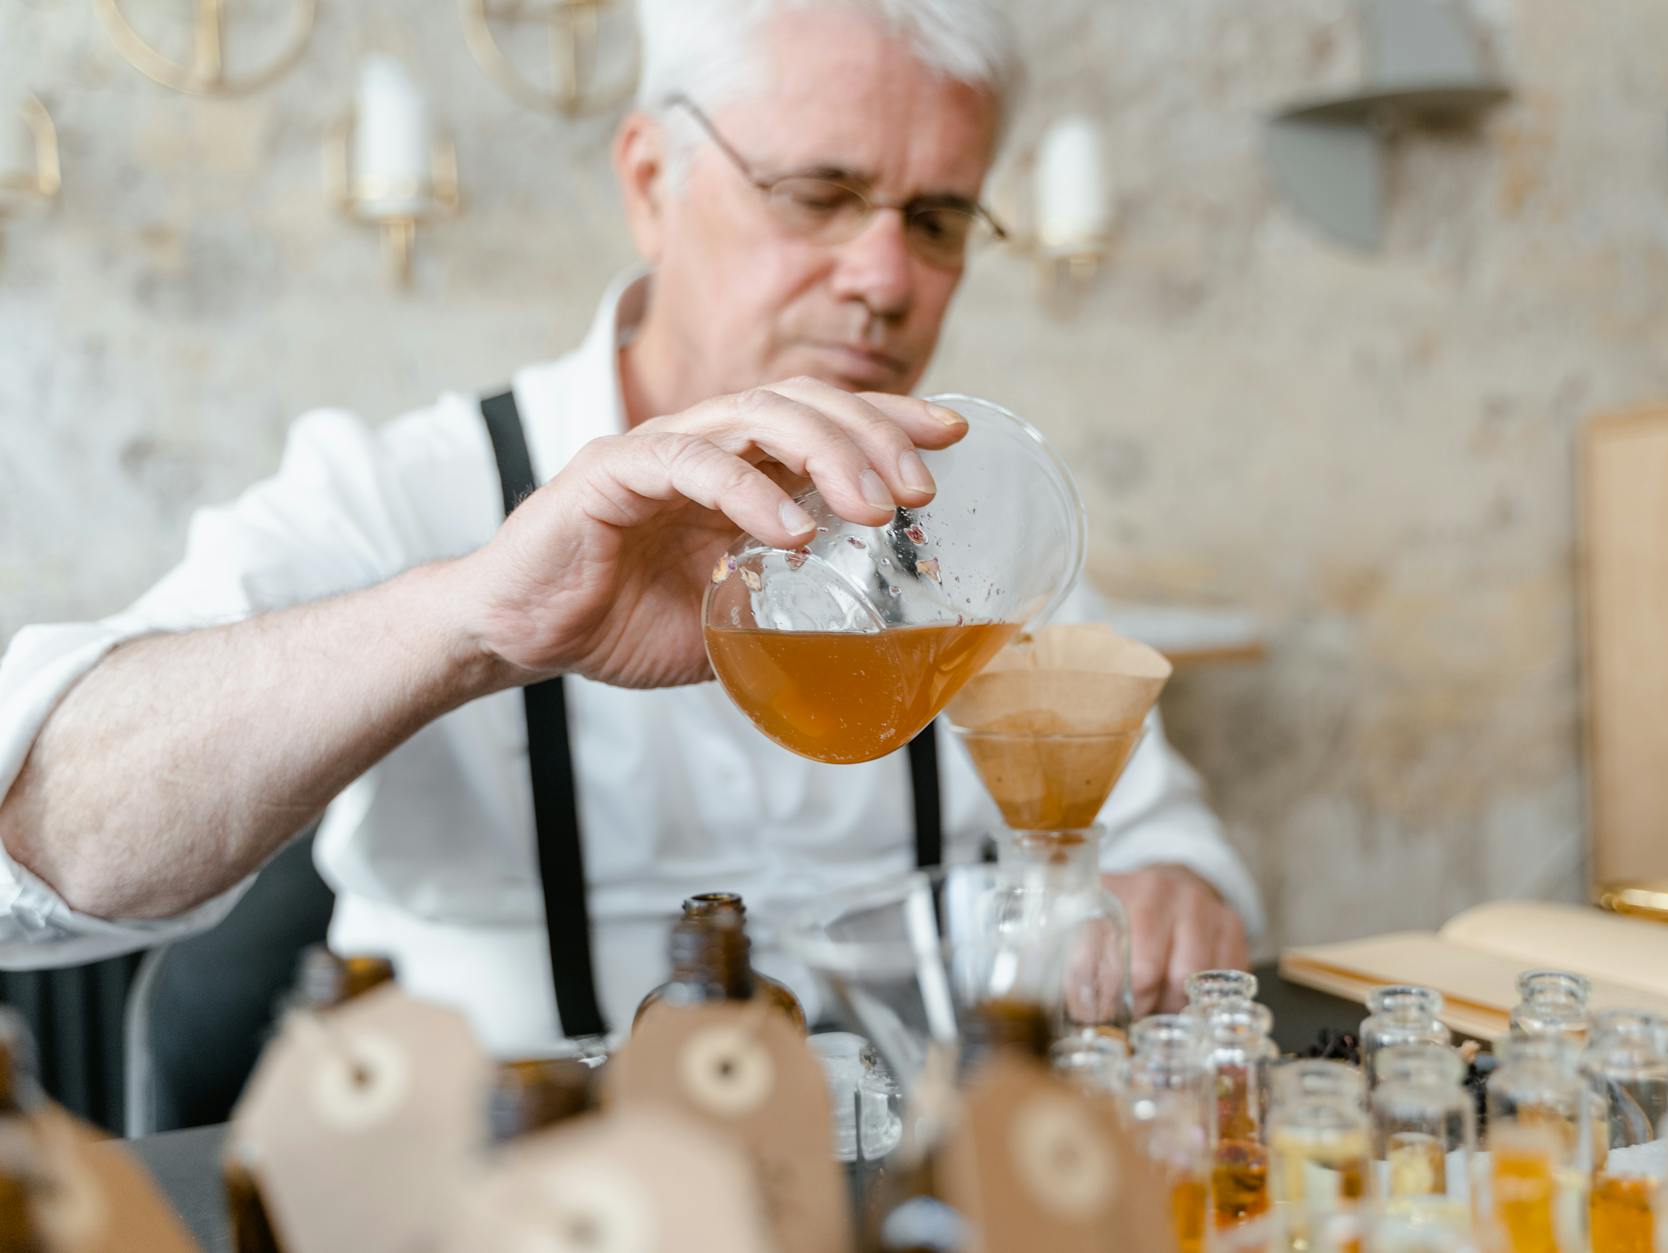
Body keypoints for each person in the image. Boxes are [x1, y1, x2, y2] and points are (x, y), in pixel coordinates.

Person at [0, 0, 1261, 1056]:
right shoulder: (406, 489)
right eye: (818, 193)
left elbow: (1153, 827)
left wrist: (1172, 888)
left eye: (934, 220)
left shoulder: (972, 527)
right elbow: (46, 844)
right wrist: (472, 621)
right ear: (652, 183)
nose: (886, 281)